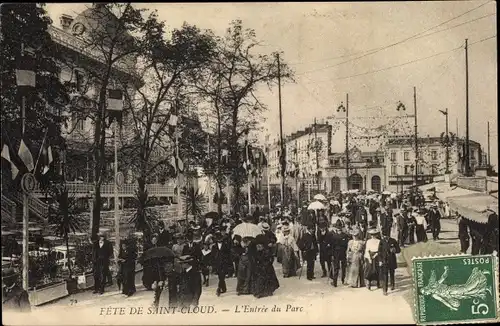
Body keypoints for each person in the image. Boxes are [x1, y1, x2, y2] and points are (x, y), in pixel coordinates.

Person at [328, 220, 350, 287]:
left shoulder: (333, 236)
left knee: (336, 267)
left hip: (336, 253)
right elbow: (347, 245)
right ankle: (343, 280)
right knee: (343, 267)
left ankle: (335, 282)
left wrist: (331, 254)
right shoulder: (345, 235)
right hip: (343, 252)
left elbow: (331, 246)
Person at [212, 231, 231, 296]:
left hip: (224, 262)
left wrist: (228, 262)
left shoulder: (225, 245)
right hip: (218, 263)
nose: (219, 239)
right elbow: (213, 255)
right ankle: (224, 288)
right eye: (218, 238)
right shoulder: (214, 246)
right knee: (220, 276)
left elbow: (228, 254)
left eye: (220, 238)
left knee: (222, 275)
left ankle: (219, 288)